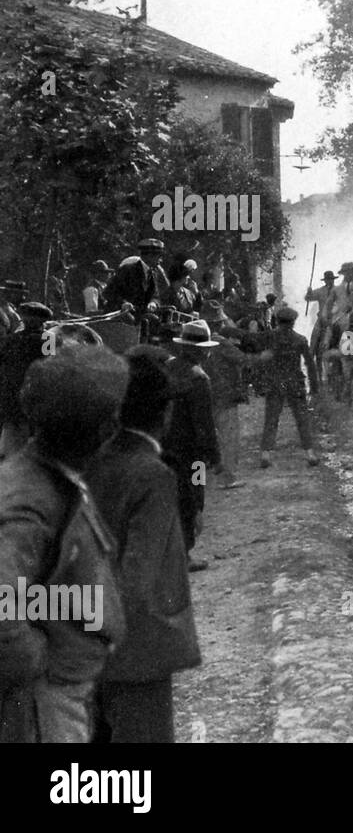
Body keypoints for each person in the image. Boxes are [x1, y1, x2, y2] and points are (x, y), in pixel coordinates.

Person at [0, 346, 127, 742]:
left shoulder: (48, 475)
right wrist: (33, 660)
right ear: (100, 430)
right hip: (46, 700)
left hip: (65, 687)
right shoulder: (30, 499)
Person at [85, 346, 201, 742]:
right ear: (165, 414)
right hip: (135, 650)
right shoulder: (154, 476)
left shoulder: (88, 462)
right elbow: (137, 580)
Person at [161, 320, 222, 572]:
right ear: (201, 350)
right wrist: (215, 457)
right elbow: (204, 425)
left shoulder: (165, 368)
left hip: (162, 447)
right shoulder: (199, 378)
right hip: (192, 454)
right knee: (193, 499)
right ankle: (184, 554)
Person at [257, 306, 320, 468]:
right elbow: (310, 364)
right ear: (293, 322)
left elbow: (262, 361)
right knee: (302, 419)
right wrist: (314, 386)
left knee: (271, 418)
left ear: (277, 321)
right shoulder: (300, 340)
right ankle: (310, 453)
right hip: (295, 382)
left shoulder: (269, 337)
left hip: (275, 382)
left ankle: (266, 453)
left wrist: (260, 382)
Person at [0, 302, 53, 461]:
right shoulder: (47, 338)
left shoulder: (12, 339)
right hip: (34, 393)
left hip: (10, 392)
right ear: (42, 321)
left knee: (12, 429)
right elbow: (50, 363)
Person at [203, 308, 249, 491]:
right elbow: (242, 359)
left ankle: (197, 482)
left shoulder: (195, 340)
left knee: (201, 440)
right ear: (217, 324)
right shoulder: (220, 342)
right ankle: (228, 478)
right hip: (224, 395)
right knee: (229, 439)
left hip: (202, 395)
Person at [103, 239, 168, 314]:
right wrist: (123, 303)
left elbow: (155, 296)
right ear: (149, 256)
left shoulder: (153, 273)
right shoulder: (127, 270)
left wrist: (153, 303)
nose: (161, 260)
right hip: (118, 315)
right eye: (159, 257)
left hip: (139, 316)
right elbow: (108, 292)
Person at [305, 269, 336, 372]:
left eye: (331, 279)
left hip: (334, 319)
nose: (329, 281)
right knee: (314, 337)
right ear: (325, 281)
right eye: (327, 279)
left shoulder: (338, 290)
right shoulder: (320, 291)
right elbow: (308, 298)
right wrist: (309, 292)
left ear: (333, 280)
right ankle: (310, 358)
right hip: (321, 319)